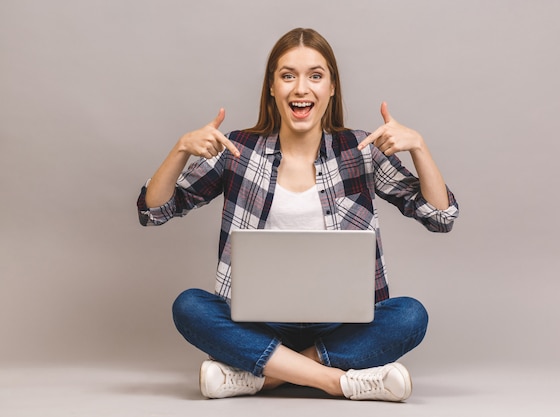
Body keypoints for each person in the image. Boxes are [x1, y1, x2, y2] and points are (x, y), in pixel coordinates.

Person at [137, 28, 459, 402]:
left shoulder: (361, 149)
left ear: (332, 88)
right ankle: (335, 381)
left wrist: (419, 146)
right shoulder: (239, 150)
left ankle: (263, 376)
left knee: (409, 316)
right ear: (272, 88)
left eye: (315, 76)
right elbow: (154, 211)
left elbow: (440, 217)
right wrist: (180, 150)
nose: (301, 88)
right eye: (288, 75)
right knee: (189, 307)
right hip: (259, 324)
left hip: (342, 325)